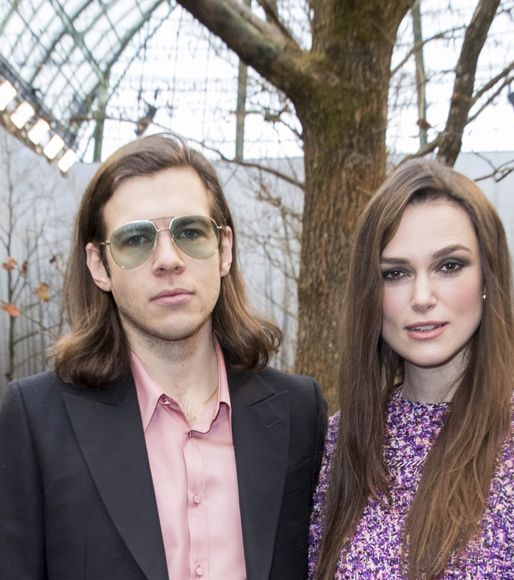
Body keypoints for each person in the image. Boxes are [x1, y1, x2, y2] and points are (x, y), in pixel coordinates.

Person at [0, 133, 326, 580]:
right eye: (136, 239)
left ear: (224, 249)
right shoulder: (37, 420)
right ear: (100, 266)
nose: (169, 260)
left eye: (190, 232)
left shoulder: (300, 412)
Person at [308, 159, 514, 579]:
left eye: (449, 265)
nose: (422, 296)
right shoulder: (345, 441)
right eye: (395, 273)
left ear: (489, 276)